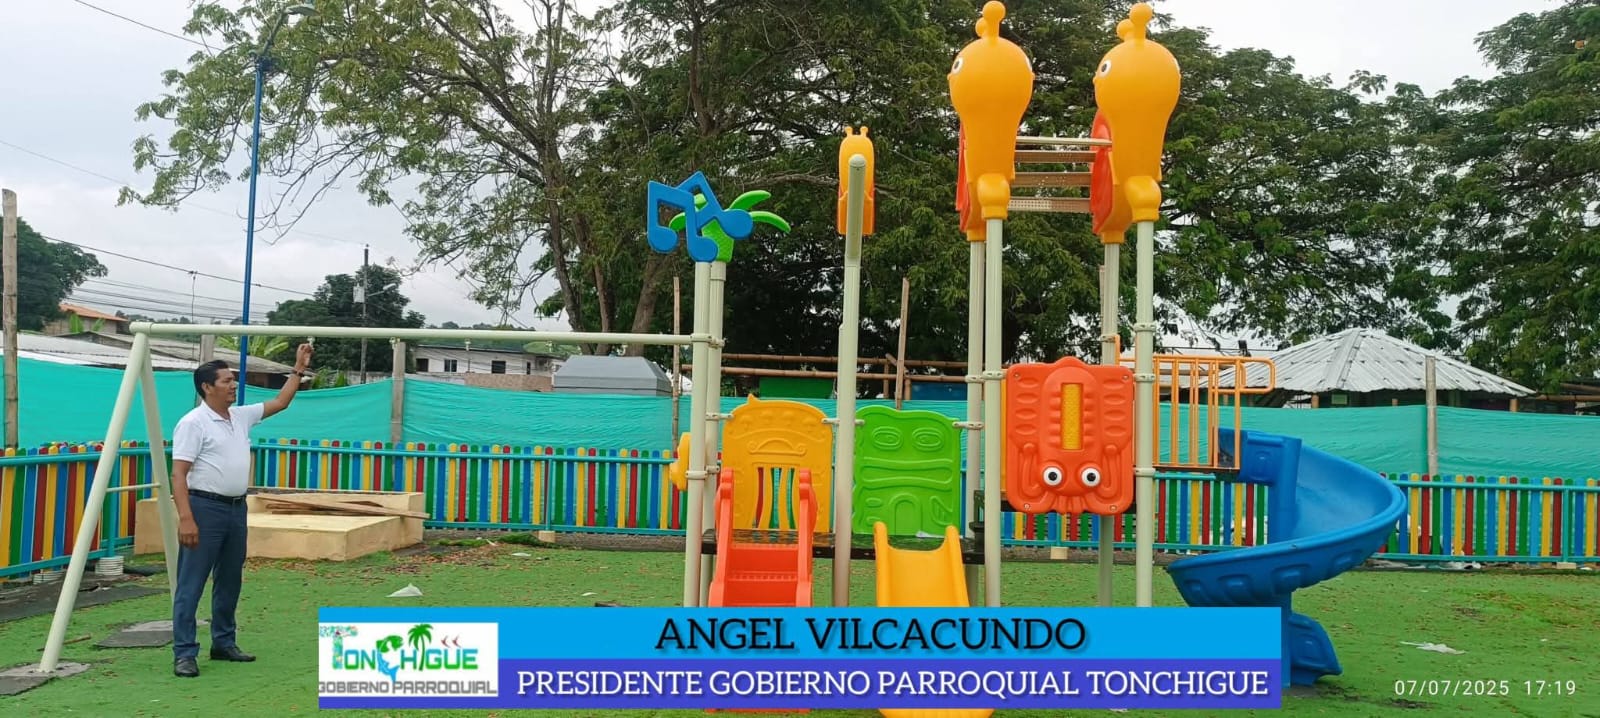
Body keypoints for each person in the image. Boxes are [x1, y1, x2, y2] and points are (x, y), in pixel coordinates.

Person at [169, 343, 313, 677]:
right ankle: (185, 653)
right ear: (207, 387)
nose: (233, 385)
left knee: (230, 579)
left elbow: (280, 402)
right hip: (204, 508)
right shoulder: (193, 423)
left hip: (236, 509)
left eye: (233, 380)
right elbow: (178, 474)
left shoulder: (240, 416)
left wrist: (298, 368)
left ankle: (223, 642)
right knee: (192, 582)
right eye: (226, 381)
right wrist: (186, 518)